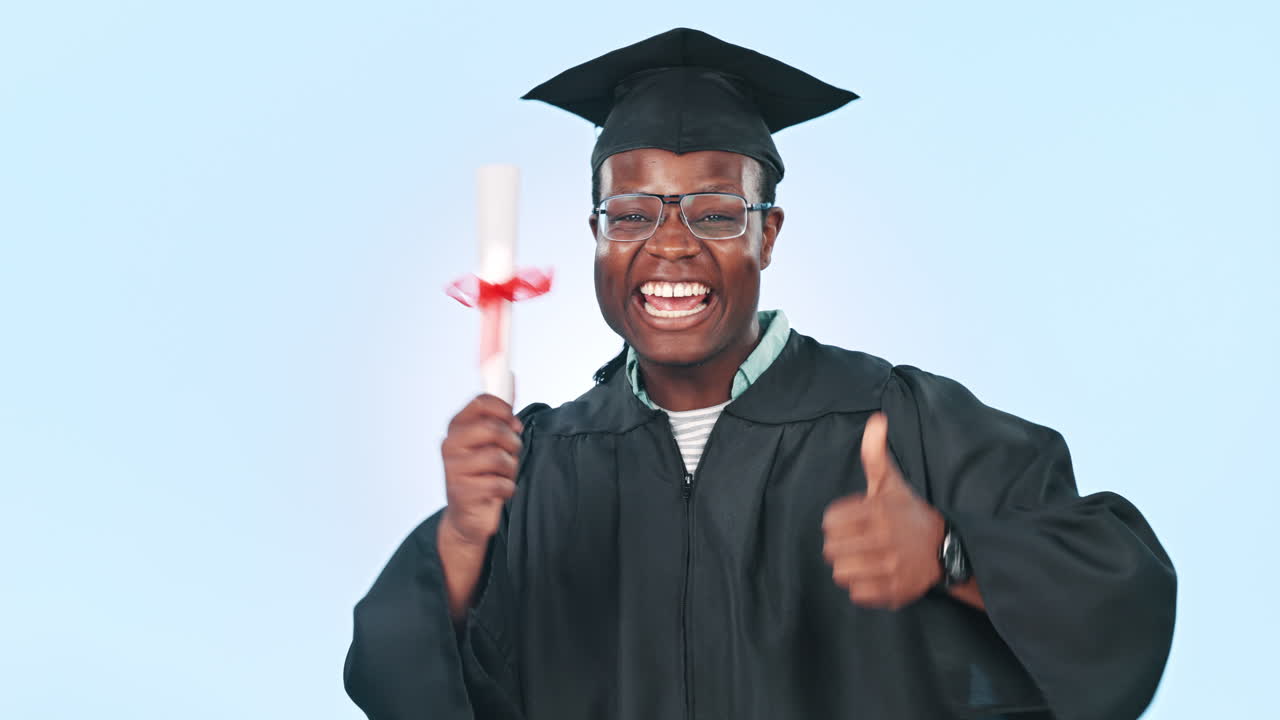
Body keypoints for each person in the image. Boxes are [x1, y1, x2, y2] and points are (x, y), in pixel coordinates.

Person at [344, 28, 1176, 720]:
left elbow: (1122, 589)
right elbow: (394, 679)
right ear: (596, 235)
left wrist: (950, 558)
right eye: (630, 214)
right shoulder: (537, 461)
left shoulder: (897, 420)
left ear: (768, 236)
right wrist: (459, 539)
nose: (669, 245)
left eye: (714, 212)